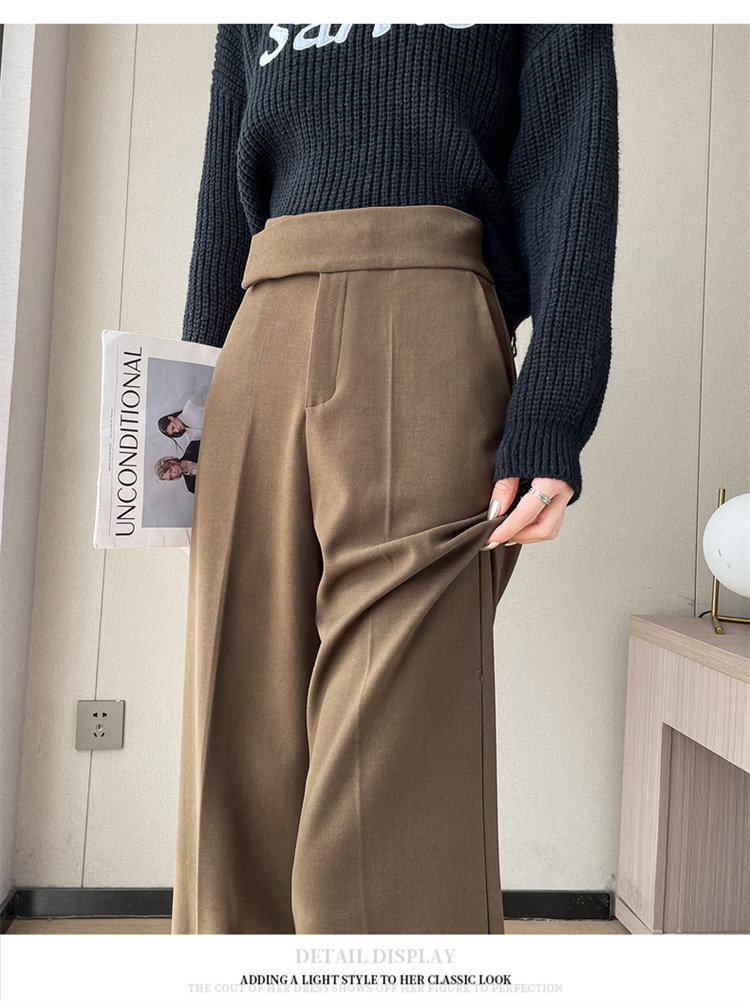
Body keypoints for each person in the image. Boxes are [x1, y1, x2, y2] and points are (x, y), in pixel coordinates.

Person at [171, 23, 619, 935]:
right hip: (261, 320)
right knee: (236, 743)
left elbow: (573, 155)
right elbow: (225, 184)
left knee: (395, 769)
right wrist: (186, 395)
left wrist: (553, 409)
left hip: (430, 309)